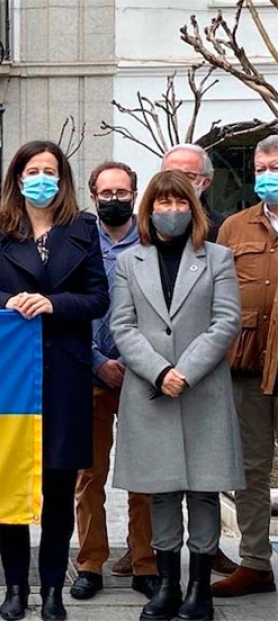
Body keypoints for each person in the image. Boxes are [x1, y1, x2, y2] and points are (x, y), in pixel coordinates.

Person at [0, 140, 109, 621]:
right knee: (11, 485)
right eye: (32, 170)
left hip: (65, 372)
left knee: (60, 486)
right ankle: (15, 587)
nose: (41, 177)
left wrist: (53, 304)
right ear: (17, 179)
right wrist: (8, 302)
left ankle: (51, 590)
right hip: (8, 375)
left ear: (61, 178)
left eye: (50, 170)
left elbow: (97, 298)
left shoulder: (82, 229)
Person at [111, 170, 244, 621]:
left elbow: (225, 322)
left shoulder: (218, 258)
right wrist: (159, 370)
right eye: (162, 203)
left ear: (195, 207)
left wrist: (184, 371)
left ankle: (199, 590)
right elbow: (122, 326)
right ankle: (167, 586)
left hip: (202, 391)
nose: (171, 211)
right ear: (148, 209)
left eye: (180, 203)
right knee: (162, 493)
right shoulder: (131, 261)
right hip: (151, 392)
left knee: (204, 492)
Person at [71, 162, 159, 601]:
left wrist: (136, 361)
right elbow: (70, 309)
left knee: (144, 473)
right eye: (105, 193)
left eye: (121, 192)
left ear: (135, 194)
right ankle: (90, 563)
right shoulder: (78, 244)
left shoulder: (154, 243)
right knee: (89, 475)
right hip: (90, 371)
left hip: (142, 374)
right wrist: (96, 361)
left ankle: (145, 562)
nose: (113, 200)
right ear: (93, 196)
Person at [211, 135, 278, 597]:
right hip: (248, 366)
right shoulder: (234, 227)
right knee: (250, 469)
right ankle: (256, 562)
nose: (267, 173)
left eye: (275, 164)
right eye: (260, 166)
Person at [162, 144, 226, 244]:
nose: (178, 182)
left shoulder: (222, 228)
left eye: (189, 176)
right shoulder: (145, 225)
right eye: (171, 174)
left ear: (205, 182)